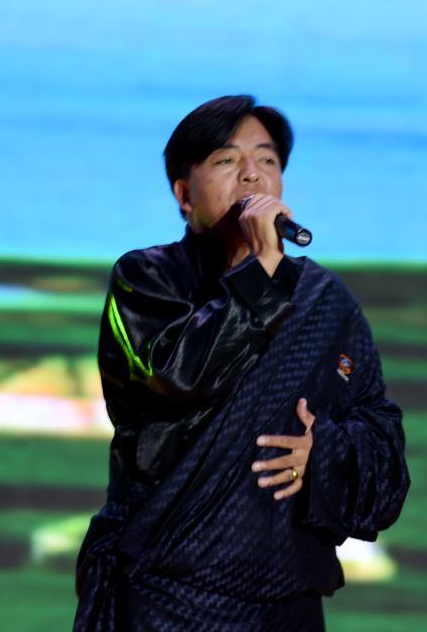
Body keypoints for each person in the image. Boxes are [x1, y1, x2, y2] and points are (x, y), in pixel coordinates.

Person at [74, 95, 409, 631]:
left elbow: (382, 441)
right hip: (165, 595)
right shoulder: (146, 279)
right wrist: (264, 264)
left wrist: (323, 453)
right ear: (184, 194)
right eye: (227, 160)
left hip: (288, 601)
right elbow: (182, 376)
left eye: (267, 160)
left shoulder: (325, 300)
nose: (252, 175)